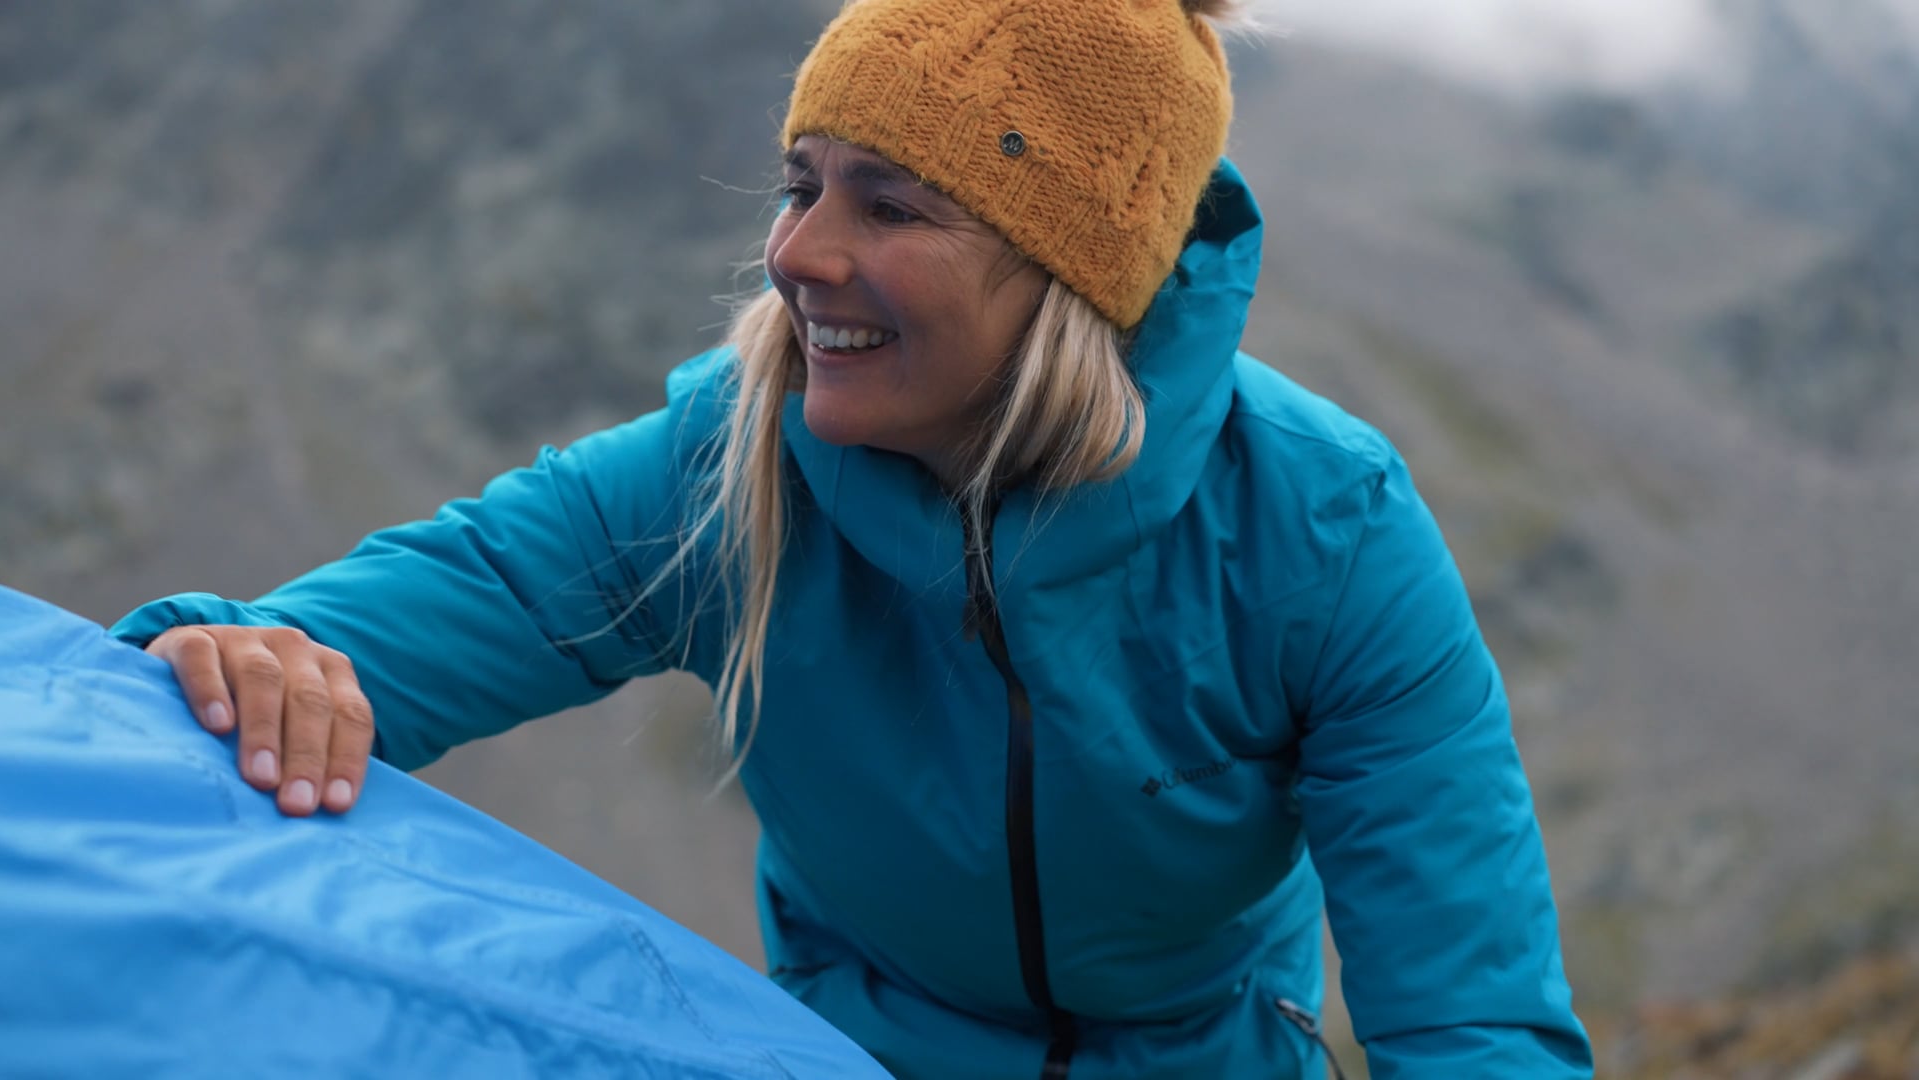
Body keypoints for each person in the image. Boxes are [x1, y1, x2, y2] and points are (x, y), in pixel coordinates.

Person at [113, 0, 1594, 1076]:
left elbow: (1472, 1023)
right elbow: (390, 622)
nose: (797, 254)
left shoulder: (1323, 534)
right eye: (800, 183)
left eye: (887, 206)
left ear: (1070, 280)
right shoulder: (728, 462)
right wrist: (244, 652)